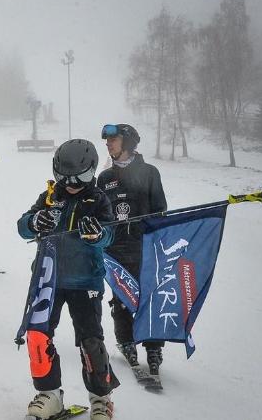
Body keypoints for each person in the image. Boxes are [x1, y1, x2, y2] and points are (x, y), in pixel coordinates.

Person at [17, 139, 119, 420]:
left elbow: (111, 234)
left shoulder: (99, 200)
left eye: (80, 177)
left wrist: (98, 234)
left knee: (90, 342)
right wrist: (34, 222)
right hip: (48, 279)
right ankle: (50, 393)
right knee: (38, 336)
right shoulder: (50, 196)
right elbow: (23, 226)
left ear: (92, 171)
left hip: (85, 281)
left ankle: (101, 398)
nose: (72, 183)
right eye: (65, 177)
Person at [96, 124, 167, 377]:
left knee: (149, 298)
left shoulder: (149, 173)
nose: (108, 144)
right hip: (115, 251)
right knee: (122, 299)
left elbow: (161, 210)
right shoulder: (105, 178)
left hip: (145, 247)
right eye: (107, 141)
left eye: (112, 140)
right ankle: (126, 341)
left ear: (127, 143)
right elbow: (98, 214)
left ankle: (154, 347)